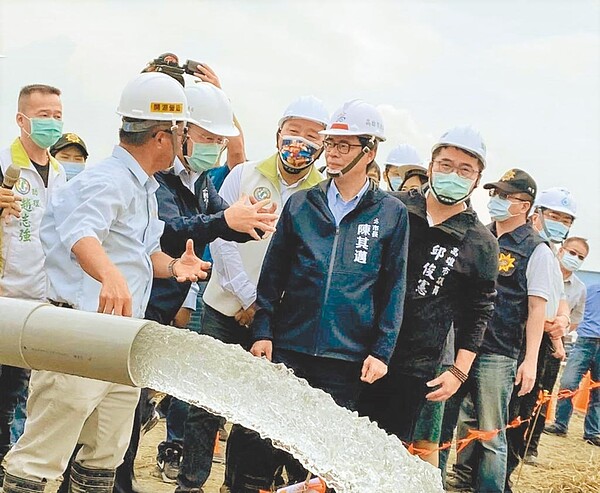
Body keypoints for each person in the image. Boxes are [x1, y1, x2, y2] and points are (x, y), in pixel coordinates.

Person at [1, 72, 210, 493]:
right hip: (79, 332)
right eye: (182, 131)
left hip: (117, 338)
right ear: (160, 137)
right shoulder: (106, 179)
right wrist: (109, 275)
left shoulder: (143, 188)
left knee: (104, 456)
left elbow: (139, 253)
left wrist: (173, 268)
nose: (185, 141)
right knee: (41, 457)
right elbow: (81, 234)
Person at [246, 99, 410, 491]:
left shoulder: (390, 213)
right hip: (290, 344)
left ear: (369, 152)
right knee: (268, 438)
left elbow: (393, 287)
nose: (332, 153)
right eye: (331, 144)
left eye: (344, 146)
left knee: (326, 453)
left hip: (346, 355)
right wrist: (263, 329)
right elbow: (274, 274)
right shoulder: (303, 203)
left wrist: (381, 350)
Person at [174, 95, 329, 493]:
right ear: (279, 133)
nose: (301, 142)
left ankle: (235, 485)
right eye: (294, 132)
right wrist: (247, 297)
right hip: (223, 307)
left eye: (313, 136)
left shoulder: (323, 196)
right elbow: (221, 238)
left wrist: (265, 308)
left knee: (254, 410)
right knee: (205, 404)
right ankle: (190, 484)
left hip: (275, 320)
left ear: (324, 146)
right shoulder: (243, 175)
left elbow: (310, 263)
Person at [147, 82, 276, 486]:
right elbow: (171, 230)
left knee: (131, 406)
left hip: (164, 303)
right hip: (144, 299)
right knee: (126, 404)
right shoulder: (159, 180)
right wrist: (228, 223)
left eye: (219, 141)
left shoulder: (200, 180)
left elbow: (225, 221)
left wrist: (251, 223)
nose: (213, 148)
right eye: (206, 138)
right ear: (180, 132)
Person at [359, 126, 499, 453]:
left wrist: (458, 372)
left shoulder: (481, 242)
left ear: (477, 179)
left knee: (381, 455)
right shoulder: (391, 208)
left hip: (413, 366)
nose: (454, 174)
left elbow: (479, 312)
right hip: (358, 346)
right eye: (446, 165)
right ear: (431, 166)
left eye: (465, 169)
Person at [441, 169, 552, 492]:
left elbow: (536, 309)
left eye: (506, 196)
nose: (497, 202)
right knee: (450, 425)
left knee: (491, 432)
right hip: (461, 347)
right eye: (495, 195)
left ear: (524, 205)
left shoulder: (536, 249)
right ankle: (454, 482)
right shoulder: (478, 235)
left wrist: (530, 360)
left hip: (498, 352)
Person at [0, 84, 66, 480]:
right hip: (6, 295)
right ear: (22, 119)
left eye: (57, 115)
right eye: (43, 115)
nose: (52, 122)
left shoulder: (59, 172)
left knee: (26, 394)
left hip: (42, 302)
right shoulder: (5, 164)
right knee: (4, 395)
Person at [526, 237, 589, 461]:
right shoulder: (544, 268)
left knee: (543, 396)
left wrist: (557, 329)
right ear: (562, 250)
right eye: (573, 252)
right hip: (529, 338)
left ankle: (531, 446)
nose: (575, 259)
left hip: (554, 346)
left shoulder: (580, 289)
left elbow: (573, 320)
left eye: (581, 257)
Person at [544, 283, 600, 446]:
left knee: (598, 392)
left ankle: (593, 432)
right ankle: (560, 424)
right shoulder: (589, 290)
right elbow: (575, 312)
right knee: (568, 383)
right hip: (584, 341)